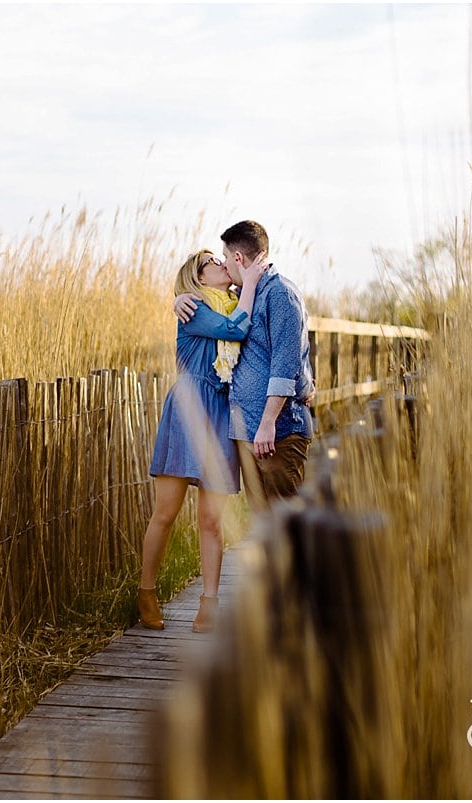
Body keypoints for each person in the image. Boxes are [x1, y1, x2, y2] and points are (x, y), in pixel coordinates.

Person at [137, 247, 268, 633]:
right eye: (210, 263)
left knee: (212, 518)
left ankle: (209, 601)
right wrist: (180, 295)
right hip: (189, 409)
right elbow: (234, 330)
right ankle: (146, 590)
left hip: (221, 411)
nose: (220, 264)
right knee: (167, 511)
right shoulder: (193, 307)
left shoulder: (233, 301)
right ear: (197, 278)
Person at [175, 220, 314, 514]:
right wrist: (180, 297)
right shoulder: (242, 298)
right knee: (265, 531)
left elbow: (285, 365)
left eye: (225, 257)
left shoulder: (280, 295)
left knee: (288, 527)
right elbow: (216, 315)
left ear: (238, 258)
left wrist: (268, 424)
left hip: (278, 432)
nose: (224, 264)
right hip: (249, 432)